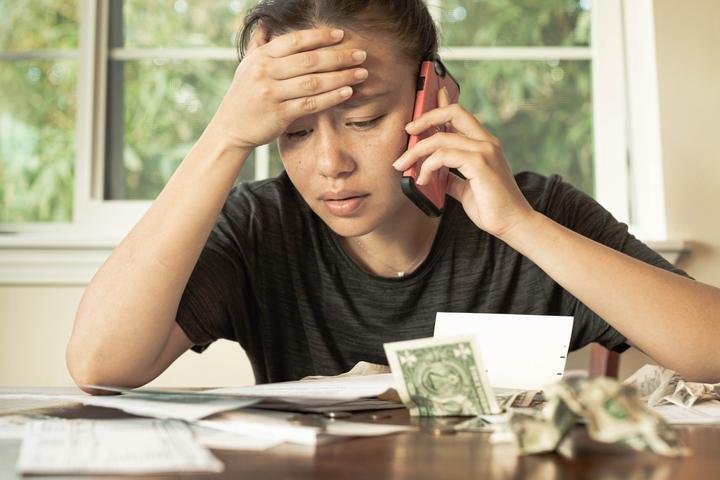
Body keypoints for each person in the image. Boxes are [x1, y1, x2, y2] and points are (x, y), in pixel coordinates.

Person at [66, 0, 720, 394]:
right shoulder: (262, 227)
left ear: (433, 94)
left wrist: (519, 226)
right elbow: (99, 364)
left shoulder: (536, 214)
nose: (330, 164)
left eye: (363, 120)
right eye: (292, 131)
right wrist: (225, 137)